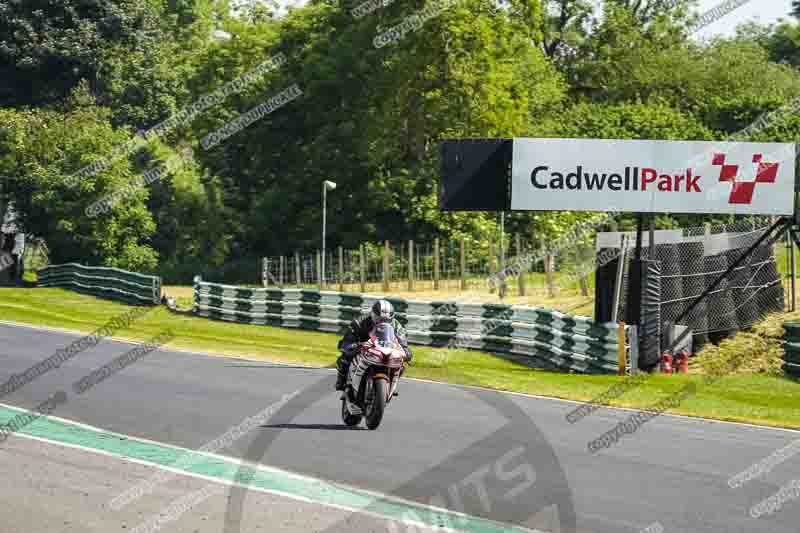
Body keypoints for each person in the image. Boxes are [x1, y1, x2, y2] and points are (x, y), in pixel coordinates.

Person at [336, 299, 412, 391]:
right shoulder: (359, 322)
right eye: (379, 319)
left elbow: (403, 344)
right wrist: (355, 346)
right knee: (344, 359)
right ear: (373, 314)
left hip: (384, 350)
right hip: (363, 348)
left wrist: (406, 352)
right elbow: (346, 342)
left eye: (386, 320)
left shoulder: (397, 327)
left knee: (400, 364)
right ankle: (342, 381)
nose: (381, 322)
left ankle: (388, 384)